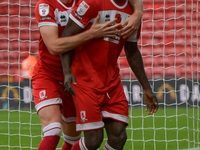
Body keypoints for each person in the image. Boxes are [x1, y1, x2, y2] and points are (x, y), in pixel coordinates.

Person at [33, 0, 142, 149]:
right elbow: (53, 46)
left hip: (76, 76)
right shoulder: (46, 5)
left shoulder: (85, 2)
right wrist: (92, 33)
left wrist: (138, 12)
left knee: (73, 139)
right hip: (49, 73)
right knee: (53, 130)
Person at [60, 0, 158, 150]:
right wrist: (67, 72)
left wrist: (146, 88)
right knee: (93, 141)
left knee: (119, 137)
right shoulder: (92, 3)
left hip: (111, 82)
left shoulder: (133, 13)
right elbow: (66, 34)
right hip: (84, 80)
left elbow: (131, 51)